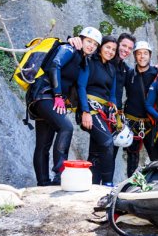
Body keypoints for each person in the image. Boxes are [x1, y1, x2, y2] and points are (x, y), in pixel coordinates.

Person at [28, 27, 102, 186]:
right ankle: (60, 174)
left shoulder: (82, 60)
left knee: (43, 143)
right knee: (66, 128)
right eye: (89, 41)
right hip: (44, 94)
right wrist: (58, 96)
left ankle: (43, 183)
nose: (91, 46)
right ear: (81, 39)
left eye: (95, 44)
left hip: (47, 97)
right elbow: (55, 65)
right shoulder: (68, 48)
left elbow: (79, 86)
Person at [77, 35, 118, 186]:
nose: (110, 51)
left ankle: (92, 184)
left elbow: (112, 94)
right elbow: (81, 86)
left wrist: (114, 110)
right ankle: (108, 183)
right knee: (107, 142)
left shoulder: (112, 68)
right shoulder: (89, 62)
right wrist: (85, 111)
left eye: (114, 49)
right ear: (100, 47)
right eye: (107, 47)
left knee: (96, 150)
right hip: (90, 110)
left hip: (104, 111)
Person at [122, 41, 158, 176]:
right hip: (131, 122)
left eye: (145, 53)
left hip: (150, 123)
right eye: (139, 53)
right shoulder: (129, 74)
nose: (142, 56)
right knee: (132, 157)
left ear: (150, 56)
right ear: (135, 56)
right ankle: (130, 184)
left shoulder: (157, 73)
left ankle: (157, 186)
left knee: (155, 156)